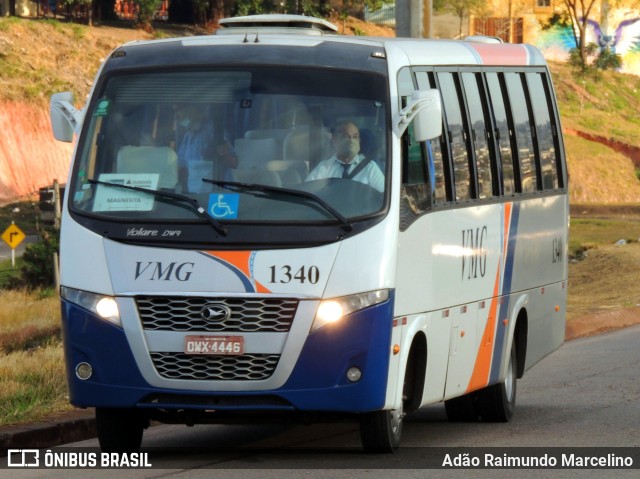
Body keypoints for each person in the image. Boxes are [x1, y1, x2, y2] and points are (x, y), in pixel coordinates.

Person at [306, 121, 384, 192]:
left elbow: (383, 197)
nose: (351, 141)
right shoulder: (323, 167)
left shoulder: (369, 168)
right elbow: (308, 193)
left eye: (355, 137)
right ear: (335, 140)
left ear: (359, 141)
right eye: (346, 136)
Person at [174, 105, 237, 193]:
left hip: (220, 197)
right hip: (196, 194)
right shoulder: (188, 136)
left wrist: (226, 154)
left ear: (191, 110)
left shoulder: (214, 131)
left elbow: (234, 164)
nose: (176, 116)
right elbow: (180, 164)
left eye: (178, 110)